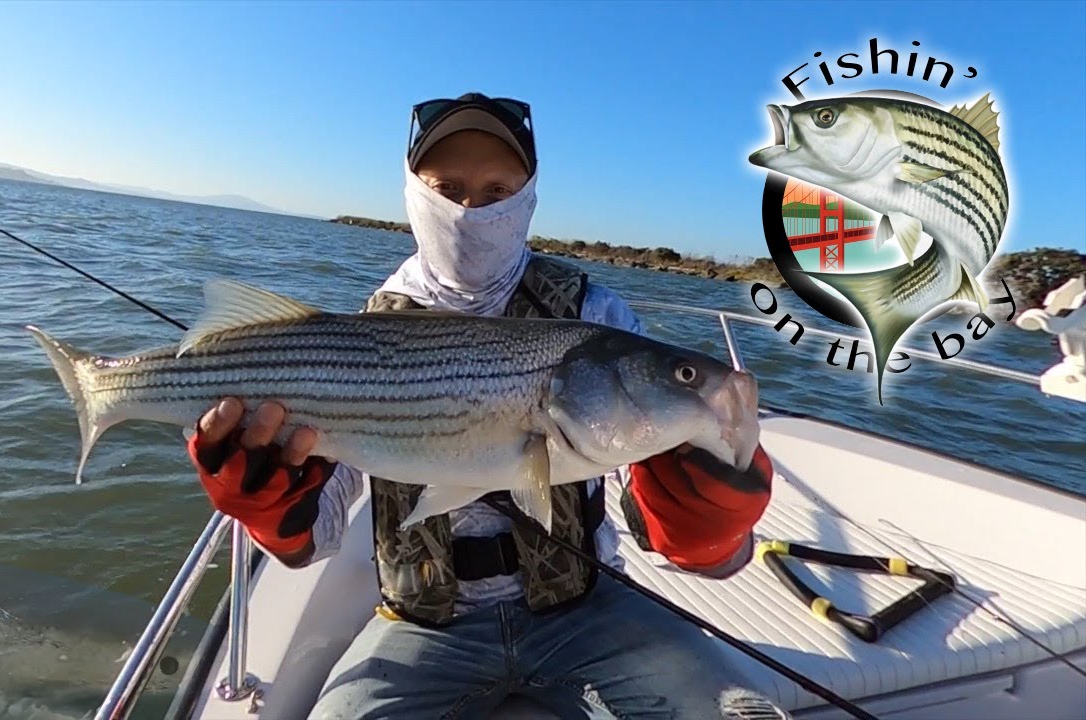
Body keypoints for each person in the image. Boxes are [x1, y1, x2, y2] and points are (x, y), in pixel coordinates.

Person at [187, 93, 788, 720]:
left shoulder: (593, 315)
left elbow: (684, 540)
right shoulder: (368, 325)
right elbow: (315, 539)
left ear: (528, 196)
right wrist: (273, 509)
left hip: (588, 608)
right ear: (414, 193)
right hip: (422, 625)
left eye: (497, 190)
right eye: (448, 188)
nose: (472, 209)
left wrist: (707, 517)